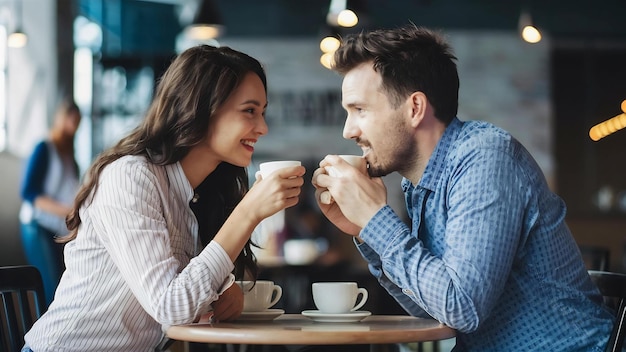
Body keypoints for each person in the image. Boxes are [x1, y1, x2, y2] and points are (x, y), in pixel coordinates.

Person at [311, 25, 615, 351]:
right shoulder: (420, 185)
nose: (348, 130)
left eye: (359, 110)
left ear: (415, 108)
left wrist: (376, 220)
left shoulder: (485, 158)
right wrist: (366, 231)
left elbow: (462, 308)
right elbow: (437, 310)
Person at [22, 44, 305, 352]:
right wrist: (249, 213)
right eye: (249, 111)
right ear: (201, 108)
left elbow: (179, 301)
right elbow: (169, 306)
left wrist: (224, 290)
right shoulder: (130, 176)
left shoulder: (196, 195)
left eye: (262, 113)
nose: (262, 127)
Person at [19, 97, 82, 305]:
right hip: (37, 225)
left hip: (57, 229)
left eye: (77, 123)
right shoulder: (44, 148)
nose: (73, 127)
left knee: (62, 285)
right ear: (60, 118)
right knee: (51, 284)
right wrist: (64, 210)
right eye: (71, 121)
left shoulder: (70, 155)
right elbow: (28, 192)